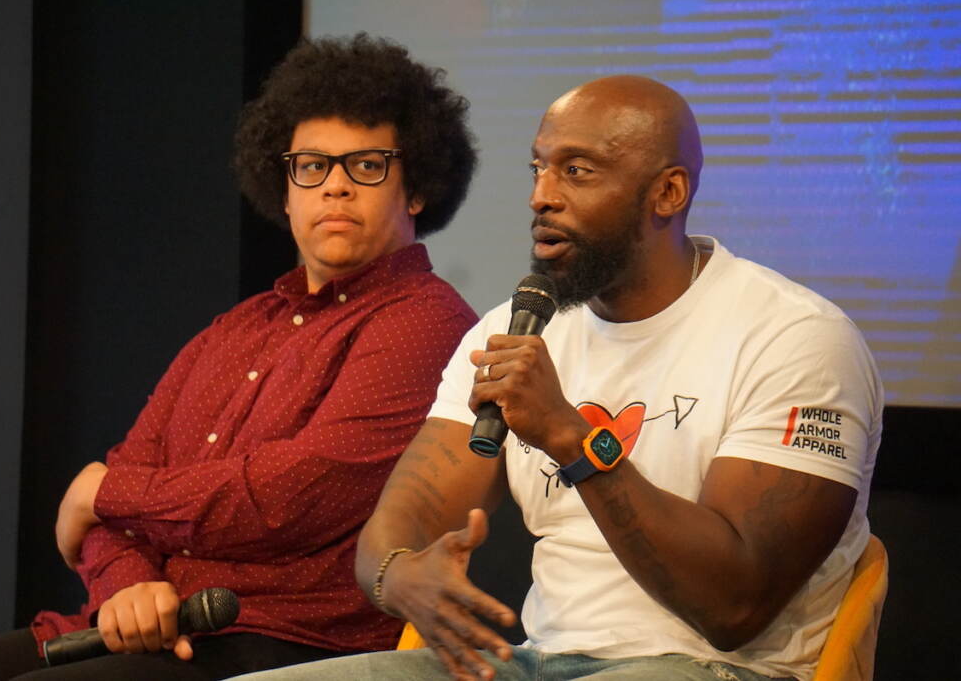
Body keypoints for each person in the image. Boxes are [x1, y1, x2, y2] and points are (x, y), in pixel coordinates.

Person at [230, 75, 883, 681]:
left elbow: (734, 606)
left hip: (713, 667)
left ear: (668, 192)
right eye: (539, 168)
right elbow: (394, 526)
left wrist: (573, 438)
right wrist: (401, 576)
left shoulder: (796, 338)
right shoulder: (510, 333)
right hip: (536, 663)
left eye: (577, 170)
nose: (541, 195)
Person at [0, 33, 478, 680]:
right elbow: (114, 500)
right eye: (311, 166)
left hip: (276, 643)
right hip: (136, 632)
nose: (335, 186)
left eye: (366, 165)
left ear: (415, 187)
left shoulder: (427, 320)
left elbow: (297, 493)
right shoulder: (236, 328)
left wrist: (106, 490)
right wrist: (127, 586)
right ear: (284, 190)